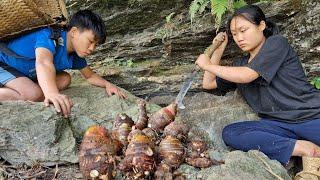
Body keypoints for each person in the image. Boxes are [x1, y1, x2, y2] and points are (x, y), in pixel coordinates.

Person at [195, 4, 320, 165]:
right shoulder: (240, 65)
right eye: (234, 34)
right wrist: (219, 49)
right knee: (232, 133)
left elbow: (247, 75)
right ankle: (305, 148)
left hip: (311, 118)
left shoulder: (277, 44)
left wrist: (208, 65)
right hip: (278, 127)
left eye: (243, 30)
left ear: (261, 25)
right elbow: (209, 83)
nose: (239, 38)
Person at [0, 10, 126, 118]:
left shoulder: (75, 55)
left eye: (96, 45)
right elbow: (44, 62)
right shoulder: (50, 35)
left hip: (23, 73)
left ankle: (26, 88)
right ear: (74, 32)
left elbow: (90, 76)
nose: (92, 48)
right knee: (34, 94)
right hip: (4, 64)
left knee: (65, 79)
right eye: (90, 41)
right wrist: (52, 93)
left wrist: (108, 85)